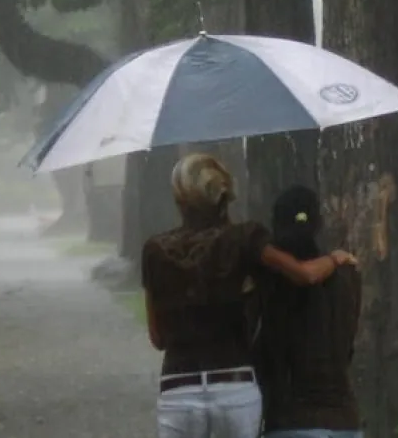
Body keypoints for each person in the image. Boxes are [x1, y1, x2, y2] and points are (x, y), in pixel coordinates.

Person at [141, 154, 357, 438]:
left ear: (180, 201)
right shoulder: (243, 239)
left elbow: (157, 338)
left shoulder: (155, 251)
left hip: (178, 389)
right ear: (225, 196)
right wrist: (335, 258)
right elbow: (305, 274)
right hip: (233, 386)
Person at [254, 185, 362, 438]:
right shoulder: (348, 275)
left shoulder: (266, 281)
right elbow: (346, 345)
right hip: (344, 420)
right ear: (318, 224)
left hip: (289, 420)